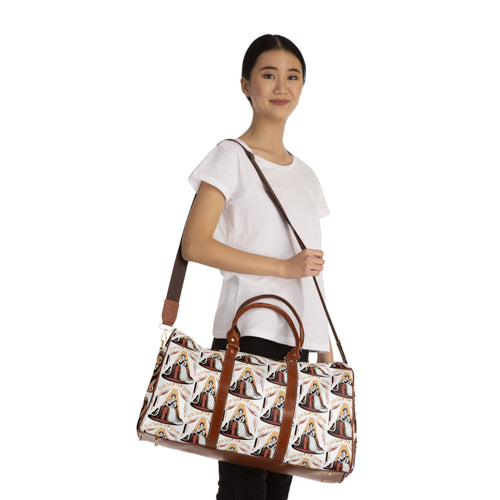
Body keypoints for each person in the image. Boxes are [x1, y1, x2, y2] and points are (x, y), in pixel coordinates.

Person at [182, 33, 333, 500]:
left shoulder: (306, 175)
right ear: (246, 85)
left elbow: (311, 269)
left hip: (298, 341)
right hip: (247, 335)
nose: (281, 86)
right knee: (244, 486)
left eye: (293, 76)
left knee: (278, 486)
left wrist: (323, 345)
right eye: (269, 75)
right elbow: (194, 244)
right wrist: (282, 269)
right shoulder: (230, 157)